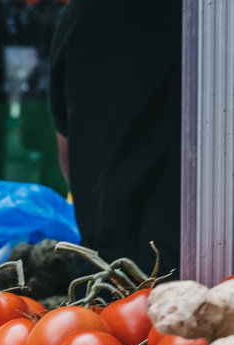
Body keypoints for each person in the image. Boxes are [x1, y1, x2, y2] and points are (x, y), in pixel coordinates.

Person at [48, 0, 182, 275]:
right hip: (205, 279)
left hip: (105, 276)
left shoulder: (80, 15)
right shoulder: (212, 15)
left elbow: (67, 153)